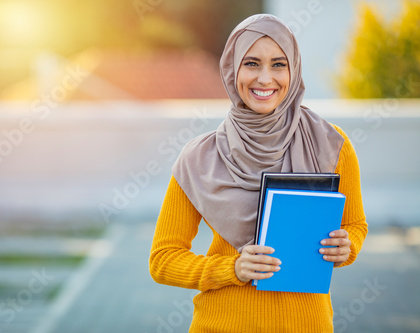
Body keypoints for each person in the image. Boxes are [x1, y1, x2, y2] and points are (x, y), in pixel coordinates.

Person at [149, 14, 368, 332]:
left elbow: (354, 225)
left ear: (293, 69)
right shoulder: (200, 157)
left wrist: (348, 247)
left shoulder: (331, 144)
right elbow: (162, 259)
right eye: (251, 63)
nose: (265, 78)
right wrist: (231, 268)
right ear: (232, 69)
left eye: (278, 64)